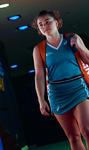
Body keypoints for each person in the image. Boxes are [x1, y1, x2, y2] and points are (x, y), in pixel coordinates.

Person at [32, 10, 89, 150]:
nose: (45, 26)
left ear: (56, 23)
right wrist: (41, 100)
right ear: (39, 29)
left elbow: (87, 60)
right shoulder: (38, 49)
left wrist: (81, 46)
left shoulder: (72, 38)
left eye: (47, 22)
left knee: (87, 130)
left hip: (77, 87)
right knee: (73, 136)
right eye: (41, 25)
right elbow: (39, 76)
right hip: (57, 94)